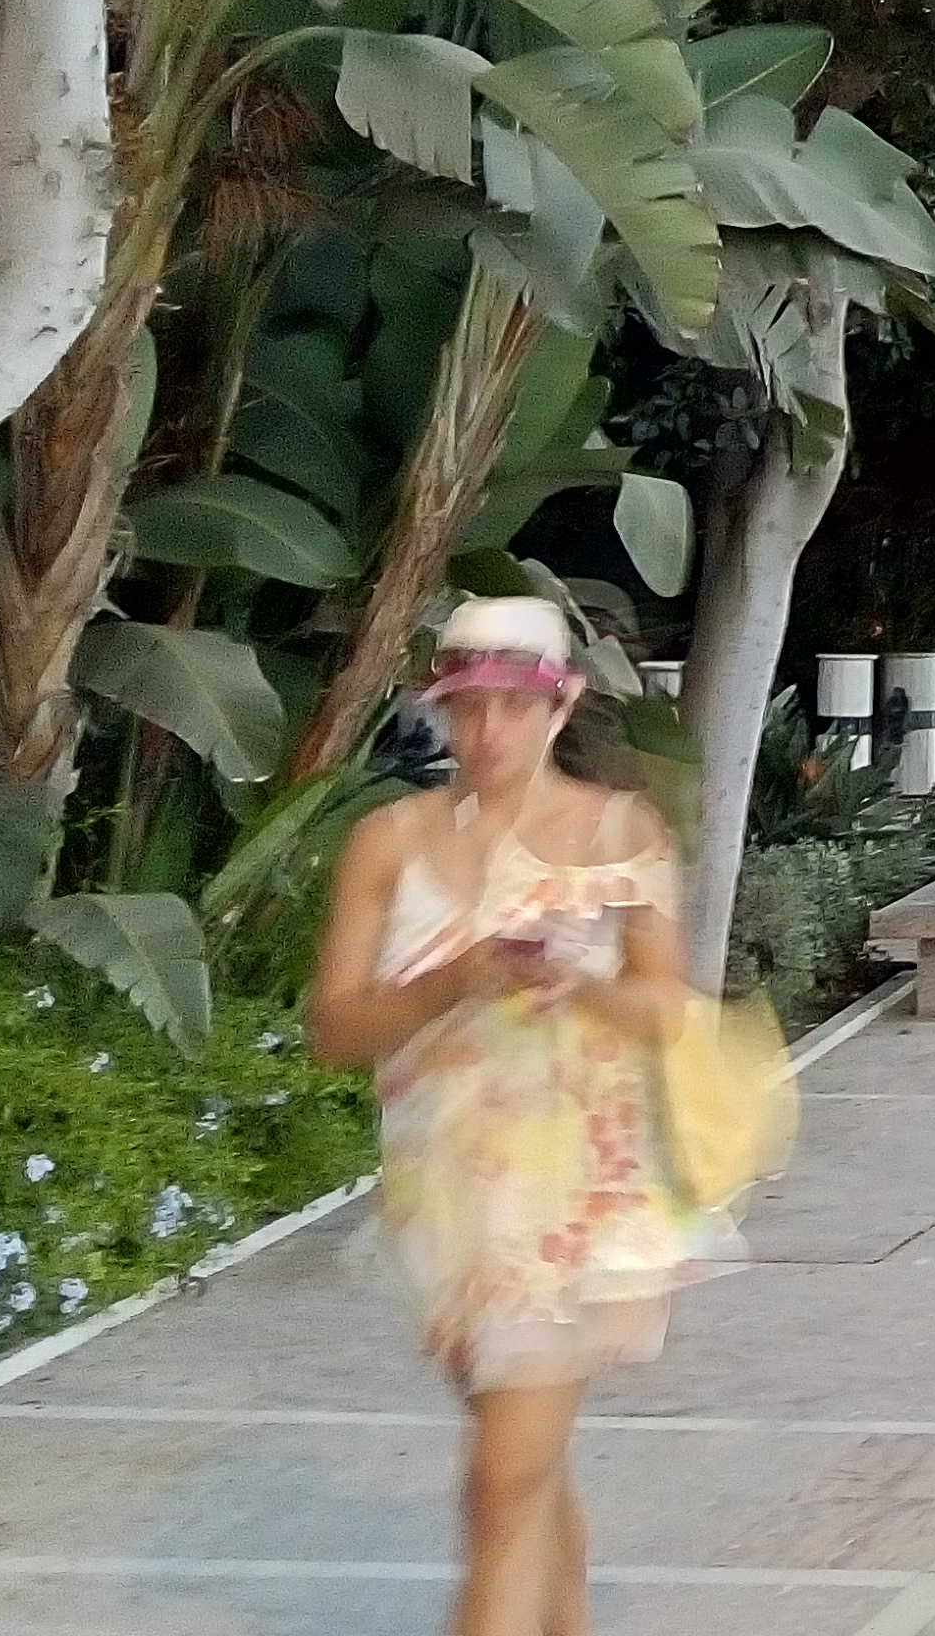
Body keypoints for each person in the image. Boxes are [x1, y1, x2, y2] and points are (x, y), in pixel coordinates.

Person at [306, 595, 708, 1636]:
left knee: (499, 1487)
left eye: (513, 708)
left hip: (579, 1205)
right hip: (445, 1203)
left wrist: (583, 983)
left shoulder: (621, 831)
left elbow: (667, 1011)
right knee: (525, 1472)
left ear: (560, 706)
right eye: (467, 707)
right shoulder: (387, 842)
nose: (487, 731)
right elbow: (334, 1028)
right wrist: (456, 980)